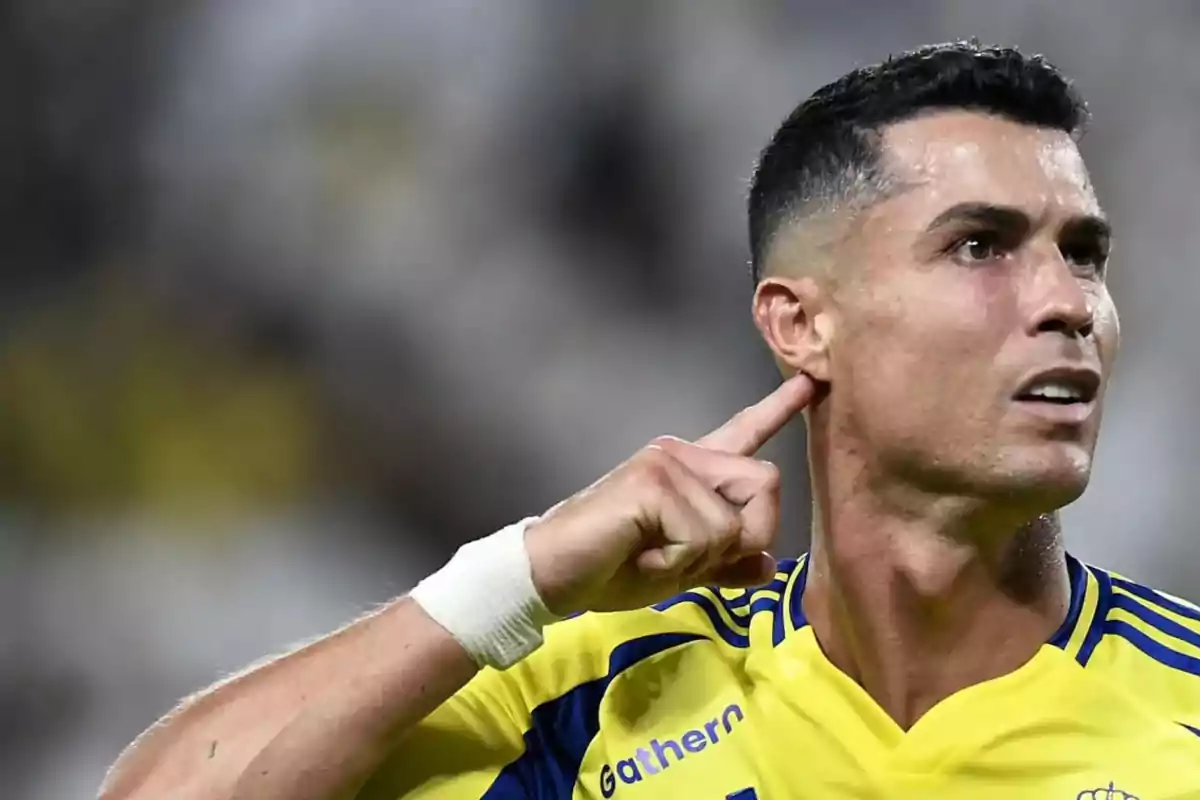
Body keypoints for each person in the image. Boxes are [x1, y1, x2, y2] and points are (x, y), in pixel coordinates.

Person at [100, 40, 1200, 800]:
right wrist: (518, 575)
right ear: (800, 324)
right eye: (980, 245)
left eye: (1083, 253)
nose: (1069, 302)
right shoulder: (605, 694)